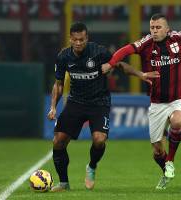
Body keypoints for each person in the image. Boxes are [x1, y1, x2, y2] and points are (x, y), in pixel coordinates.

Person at [102, 13, 181, 189]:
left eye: (158, 27)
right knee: (156, 150)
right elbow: (125, 50)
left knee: (177, 121)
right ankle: (166, 170)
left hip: (178, 99)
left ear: (167, 29)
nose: (154, 31)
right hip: (157, 103)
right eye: (152, 27)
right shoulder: (146, 43)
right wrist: (110, 63)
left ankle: (170, 160)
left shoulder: (179, 37)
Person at [47, 22, 158, 192]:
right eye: (75, 39)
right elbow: (59, 84)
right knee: (58, 141)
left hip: (99, 102)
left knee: (99, 140)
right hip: (76, 101)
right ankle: (63, 183)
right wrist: (53, 107)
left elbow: (120, 65)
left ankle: (91, 167)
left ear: (87, 38)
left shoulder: (98, 52)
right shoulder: (63, 57)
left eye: (81, 39)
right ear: (70, 39)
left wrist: (140, 74)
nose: (78, 43)